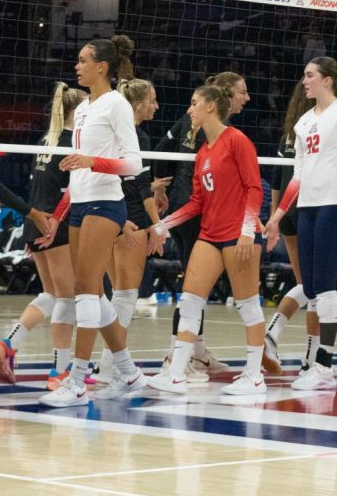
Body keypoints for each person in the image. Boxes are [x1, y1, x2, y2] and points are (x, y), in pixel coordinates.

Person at [39, 36, 149, 407]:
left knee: (85, 290)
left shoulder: (116, 104)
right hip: (80, 204)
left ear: (102, 66)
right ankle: (130, 372)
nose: (76, 66)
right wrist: (58, 215)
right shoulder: (84, 107)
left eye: (83, 60)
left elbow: (134, 164)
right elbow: (76, 171)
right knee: (93, 293)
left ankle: (79, 381)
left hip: (106, 203)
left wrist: (94, 163)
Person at [264, 56, 337, 390]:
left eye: (310, 75)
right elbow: (297, 177)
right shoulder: (302, 124)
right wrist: (278, 215)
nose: (305, 81)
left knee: (325, 287)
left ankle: (324, 366)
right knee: (312, 288)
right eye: (304, 76)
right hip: (308, 208)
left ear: (327, 79)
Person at [148, 84, 266, 395]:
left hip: (238, 235)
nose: (190, 110)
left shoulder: (237, 141)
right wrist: (163, 224)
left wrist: (246, 230)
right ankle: (176, 374)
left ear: (211, 106)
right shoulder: (203, 152)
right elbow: (197, 202)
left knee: (248, 305)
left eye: (194, 103)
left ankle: (254, 376)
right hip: (210, 233)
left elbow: (255, 189)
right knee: (189, 301)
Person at [0, 82, 84, 389]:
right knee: (67, 300)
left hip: (36, 220)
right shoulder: (73, 143)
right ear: (78, 111)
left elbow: (36, 186)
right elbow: (71, 191)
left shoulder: (46, 139)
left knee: (51, 295)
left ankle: (8, 344)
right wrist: (53, 223)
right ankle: (60, 371)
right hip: (55, 222)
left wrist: (33, 230)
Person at [95, 76, 161, 382]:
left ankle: (107, 365)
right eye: (152, 100)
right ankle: (112, 367)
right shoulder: (139, 137)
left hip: (111, 218)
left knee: (114, 297)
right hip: (132, 221)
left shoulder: (111, 133)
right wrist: (158, 227)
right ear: (137, 105)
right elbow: (143, 191)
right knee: (126, 296)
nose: (156, 106)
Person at [262, 81, 320, 375]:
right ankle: (310, 356)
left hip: (287, 211)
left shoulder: (289, 133)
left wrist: (275, 217)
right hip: (311, 208)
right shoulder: (316, 129)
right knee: (317, 288)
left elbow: (274, 177)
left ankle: (273, 333)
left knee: (308, 285)